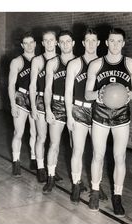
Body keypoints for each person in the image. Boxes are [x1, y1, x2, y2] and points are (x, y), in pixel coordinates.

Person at [85, 27, 132, 216]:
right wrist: (99, 96)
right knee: (98, 155)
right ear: (107, 43)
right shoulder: (95, 64)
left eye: (119, 41)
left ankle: (117, 196)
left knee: (120, 157)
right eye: (112, 41)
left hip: (121, 115)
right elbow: (87, 93)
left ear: (123, 43)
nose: (115, 45)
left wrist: (128, 95)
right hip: (100, 113)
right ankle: (94, 191)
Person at [65, 28, 108, 204]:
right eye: (87, 40)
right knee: (78, 150)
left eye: (93, 41)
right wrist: (69, 116)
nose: (90, 44)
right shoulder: (75, 64)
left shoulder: (103, 64)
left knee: (99, 153)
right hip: (79, 110)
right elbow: (68, 92)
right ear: (83, 43)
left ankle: (96, 186)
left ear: (98, 43)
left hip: (98, 111)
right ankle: (76, 184)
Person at [42, 30, 75, 194]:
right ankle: (50, 177)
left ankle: (78, 181)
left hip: (75, 107)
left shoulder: (80, 62)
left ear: (73, 43)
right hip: (57, 105)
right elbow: (47, 89)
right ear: (57, 44)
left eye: (68, 41)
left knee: (76, 146)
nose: (64, 45)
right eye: (61, 42)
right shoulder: (53, 63)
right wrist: (48, 109)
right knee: (54, 144)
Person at [29, 30, 58, 183]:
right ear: (42, 43)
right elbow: (32, 85)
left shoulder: (62, 60)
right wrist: (33, 106)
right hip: (40, 100)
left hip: (57, 102)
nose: (48, 43)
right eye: (45, 40)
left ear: (56, 42)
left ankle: (52, 168)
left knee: (55, 140)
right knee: (42, 136)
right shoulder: (37, 60)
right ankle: (40, 168)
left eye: (51, 40)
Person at [8, 32, 37, 176]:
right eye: (26, 43)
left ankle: (33, 158)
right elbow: (10, 85)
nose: (29, 45)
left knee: (35, 132)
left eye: (31, 42)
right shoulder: (17, 61)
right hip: (21, 97)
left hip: (36, 98)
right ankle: (16, 161)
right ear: (22, 45)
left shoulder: (41, 60)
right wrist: (13, 105)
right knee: (19, 132)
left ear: (35, 44)